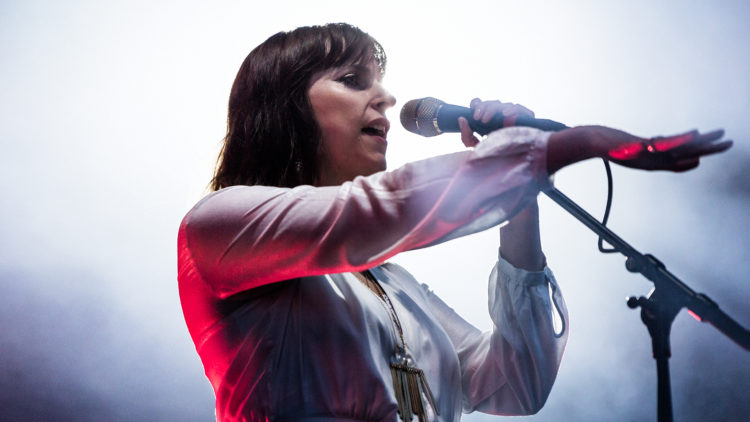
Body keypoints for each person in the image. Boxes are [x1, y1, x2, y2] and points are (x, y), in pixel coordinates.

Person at [177, 23, 731, 422]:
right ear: (285, 108)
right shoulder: (219, 229)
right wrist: (575, 142)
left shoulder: (391, 285)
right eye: (351, 79)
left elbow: (516, 383)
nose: (387, 98)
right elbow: (373, 211)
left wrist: (520, 197)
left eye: (379, 81)